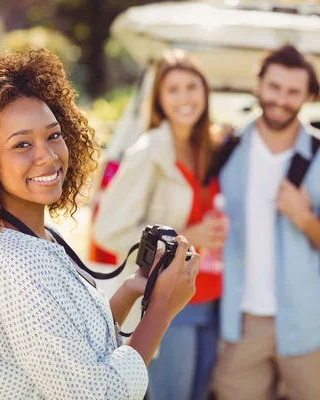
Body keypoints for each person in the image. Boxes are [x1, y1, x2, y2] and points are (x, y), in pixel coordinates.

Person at [0, 46, 200, 400]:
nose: (48, 156)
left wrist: (132, 288)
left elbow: (76, 351)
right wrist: (161, 310)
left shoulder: (36, 236)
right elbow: (99, 394)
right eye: (21, 144)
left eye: (53, 135)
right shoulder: (17, 267)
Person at [213, 44, 320, 400]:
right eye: (274, 87)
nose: (281, 99)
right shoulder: (227, 148)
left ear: (309, 95)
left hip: (309, 323)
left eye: (293, 91)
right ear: (259, 85)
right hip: (241, 322)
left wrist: (304, 218)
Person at [94, 49, 228, 400]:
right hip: (169, 301)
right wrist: (186, 234)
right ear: (159, 100)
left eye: (192, 87)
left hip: (212, 298)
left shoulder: (209, 147)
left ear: (205, 92)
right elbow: (107, 230)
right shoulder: (148, 151)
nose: (185, 97)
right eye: (173, 90)